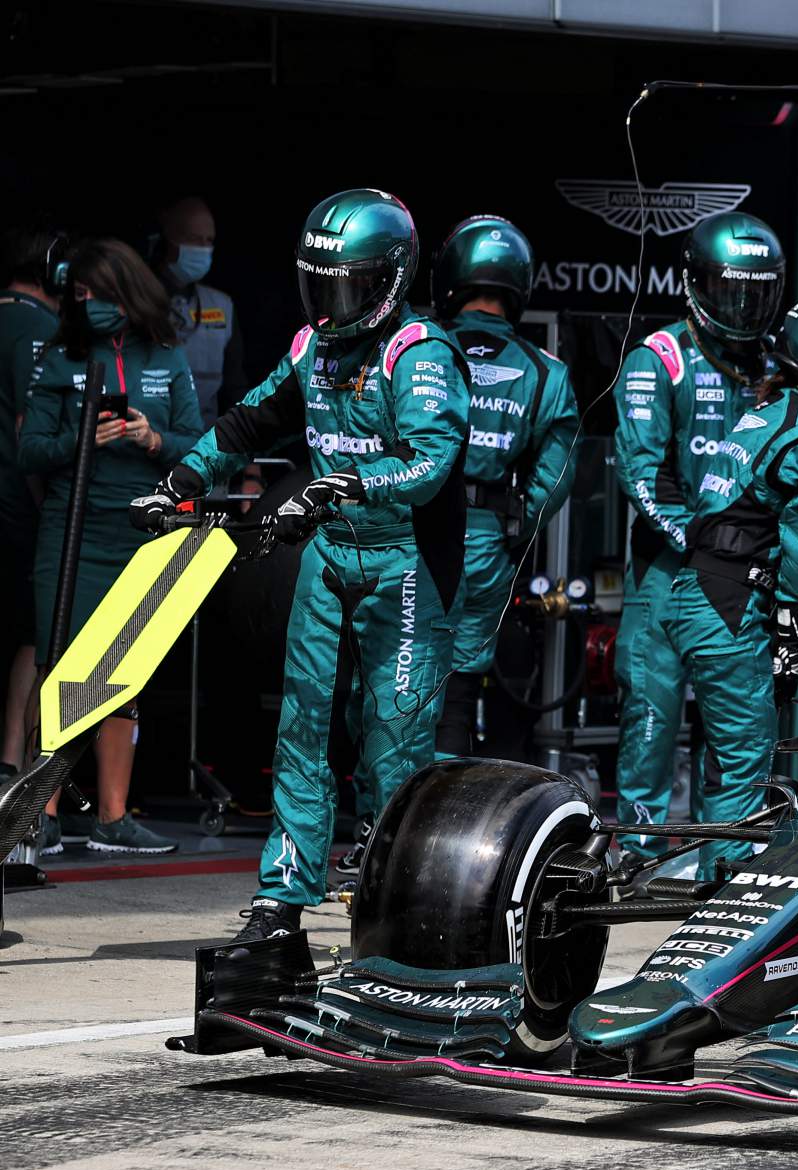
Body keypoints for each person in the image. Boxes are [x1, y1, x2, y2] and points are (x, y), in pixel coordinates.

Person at [131, 189, 468, 941]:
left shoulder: (420, 353)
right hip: (327, 550)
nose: (331, 301)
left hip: (403, 561)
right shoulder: (311, 346)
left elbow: (431, 462)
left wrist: (352, 483)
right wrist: (182, 480)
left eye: (348, 284)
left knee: (394, 738)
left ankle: (397, 900)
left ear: (392, 277)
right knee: (301, 727)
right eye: (320, 282)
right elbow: (249, 420)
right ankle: (282, 899)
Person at [650, 290, 798, 870]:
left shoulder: (768, 411)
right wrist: (792, 630)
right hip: (729, 605)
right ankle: (724, 892)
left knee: (726, 754)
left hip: (700, 595)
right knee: (745, 759)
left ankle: (715, 867)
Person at [18, 238, 202, 856]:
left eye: (98, 293)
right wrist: (81, 436)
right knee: (61, 666)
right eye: (80, 294)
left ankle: (113, 817)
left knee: (124, 673)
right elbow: (30, 451)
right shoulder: (62, 357)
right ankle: (38, 815)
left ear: (127, 291)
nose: (88, 303)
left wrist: (153, 438)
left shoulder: (168, 356)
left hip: (141, 531)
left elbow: (200, 448)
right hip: (71, 531)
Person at [611, 211, 785, 859]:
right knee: (650, 715)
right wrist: (706, 543)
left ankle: (726, 859)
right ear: (694, 285)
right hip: (666, 570)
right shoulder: (658, 360)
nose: (742, 308)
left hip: (747, 580)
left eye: (756, 293)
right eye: (729, 291)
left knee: (740, 728)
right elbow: (643, 473)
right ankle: (636, 849)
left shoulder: (779, 369)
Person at [428, 214, 578, 759]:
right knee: (461, 682)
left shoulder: (414, 349)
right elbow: (556, 476)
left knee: (394, 673)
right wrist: (515, 525)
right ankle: (438, 819)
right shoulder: (545, 372)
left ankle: (382, 820)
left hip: (410, 534)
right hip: (487, 540)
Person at [0, 224, 62, 788]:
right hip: (17, 507)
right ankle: (15, 765)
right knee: (34, 634)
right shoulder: (42, 330)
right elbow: (32, 430)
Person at [151, 196, 244, 427]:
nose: (202, 249)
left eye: (208, 241)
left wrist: (246, 451)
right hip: (147, 441)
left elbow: (235, 386)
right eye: (194, 239)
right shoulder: (135, 299)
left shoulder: (221, 305)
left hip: (202, 448)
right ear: (167, 239)